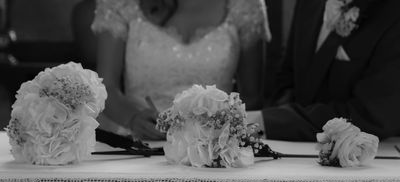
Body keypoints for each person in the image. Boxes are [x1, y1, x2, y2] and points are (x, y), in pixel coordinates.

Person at [91, 0, 271, 140]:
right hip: (138, 140)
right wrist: (133, 118)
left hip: (213, 145)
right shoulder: (120, 4)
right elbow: (106, 85)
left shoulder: (246, 6)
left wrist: (222, 135)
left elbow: (251, 97)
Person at [255, 0, 400, 141]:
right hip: (289, 149)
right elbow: (287, 77)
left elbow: (370, 117)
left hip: (369, 157)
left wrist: (264, 123)